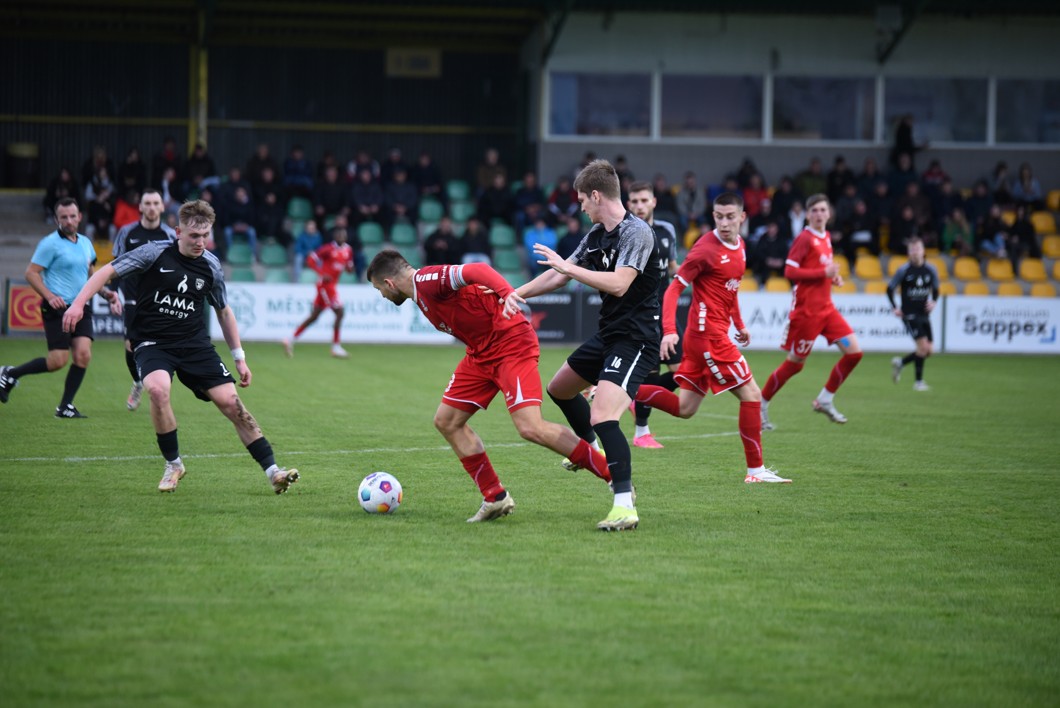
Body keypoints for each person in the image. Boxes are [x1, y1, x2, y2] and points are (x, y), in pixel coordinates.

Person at [61, 200, 299, 495]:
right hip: (153, 342)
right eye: (193, 236)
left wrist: (239, 358)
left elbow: (224, 311)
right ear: (178, 232)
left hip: (194, 345)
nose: (200, 242)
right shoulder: (154, 253)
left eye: (205, 236)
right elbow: (105, 272)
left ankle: (273, 472)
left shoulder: (211, 266)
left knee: (232, 404)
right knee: (158, 390)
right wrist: (78, 304)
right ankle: (173, 464)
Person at [366, 250, 611, 523]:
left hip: (511, 344)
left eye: (379, 289)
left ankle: (614, 476)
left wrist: (507, 293)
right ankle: (495, 497)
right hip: (481, 355)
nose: (382, 296)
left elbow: (477, 270)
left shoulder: (426, 280)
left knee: (531, 427)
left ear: (389, 283)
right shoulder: (421, 295)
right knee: (447, 421)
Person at [505, 159, 663, 531]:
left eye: (581, 200)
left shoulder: (636, 232)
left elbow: (620, 283)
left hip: (636, 338)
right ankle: (593, 450)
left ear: (596, 195)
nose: (579, 206)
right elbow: (559, 275)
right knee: (559, 388)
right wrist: (516, 293)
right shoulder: (595, 236)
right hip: (609, 333)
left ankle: (625, 504)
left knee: (604, 415)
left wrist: (568, 269)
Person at [630, 193, 791, 484]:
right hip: (708, 337)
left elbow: (729, 291)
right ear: (713, 216)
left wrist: (739, 324)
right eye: (719, 216)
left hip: (711, 334)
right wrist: (669, 330)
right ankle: (755, 471)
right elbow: (673, 289)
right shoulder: (705, 249)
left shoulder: (741, 247)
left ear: (742, 217)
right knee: (752, 395)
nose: (725, 222)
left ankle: (619, 390)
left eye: (730, 216)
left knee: (685, 409)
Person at [0, 198, 121, 416]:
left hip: (81, 306)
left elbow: (90, 274)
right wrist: (49, 295)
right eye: (63, 217)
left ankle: (65, 406)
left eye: (72, 216)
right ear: (57, 219)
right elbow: (31, 273)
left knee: (83, 355)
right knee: (58, 361)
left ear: (79, 217)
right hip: (57, 308)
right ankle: (11, 373)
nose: (69, 220)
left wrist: (105, 293)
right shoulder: (49, 243)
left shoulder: (85, 242)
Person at [760, 193, 863, 430]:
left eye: (822, 210)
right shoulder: (804, 238)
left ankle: (825, 399)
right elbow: (790, 271)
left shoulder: (825, 236)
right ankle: (761, 404)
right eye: (814, 210)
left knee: (854, 353)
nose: (818, 214)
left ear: (829, 214)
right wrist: (822, 274)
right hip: (807, 312)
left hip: (827, 310)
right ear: (807, 214)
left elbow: (820, 269)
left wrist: (832, 277)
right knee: (795, 364)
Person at [625, 180, 680, 449]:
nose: (639, 206)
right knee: (650, 371)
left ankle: (630, 395)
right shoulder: (625, 232)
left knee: (684, 373)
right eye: (634, 201)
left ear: (654, 202)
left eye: (644, 200)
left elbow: (671, 266)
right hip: (641, 314)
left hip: (666, 312)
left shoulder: (667, 230)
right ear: (627, 204)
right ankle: (641, 432)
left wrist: (685, 274)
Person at [112, 189, 177, 411]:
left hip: (160, 299)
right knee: (131, 346)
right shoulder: (127, 232)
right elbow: (115, 266)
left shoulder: (170, 235)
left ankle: (159, 383)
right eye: (147, 203)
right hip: (132, 297)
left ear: (161, 207)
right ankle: (139, 382)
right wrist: (112, 294)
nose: (151, 207)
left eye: (155, 203)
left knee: (163, 344)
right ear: (140, 207)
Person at [283, 226, 356, 359]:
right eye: (338, 235)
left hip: (331, 286)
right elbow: (310, 260)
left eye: (343, 235)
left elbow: (349, 267)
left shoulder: (348, 250)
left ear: (346, 237)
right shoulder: (328, 249)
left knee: (314, 316)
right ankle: (336, 347)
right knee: (340, 312)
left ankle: (289, 339)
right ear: (335, 237)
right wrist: (322, 273)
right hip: (325, 286)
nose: (341, 237)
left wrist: (350, 268)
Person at [887, 237, 939, 392]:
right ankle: (918, 382)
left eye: (917, 249)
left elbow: (936, 289)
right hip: (909, 314)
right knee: (922, 347)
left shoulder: (931, 269)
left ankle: (901, 363)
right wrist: (895, 307)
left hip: (924, 314)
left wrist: (934, 301)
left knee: (929, 350)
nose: (915, 252)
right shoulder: (903, 270)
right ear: (909, 253)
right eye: (912, 249)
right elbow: (890, 289)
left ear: (923, 251)